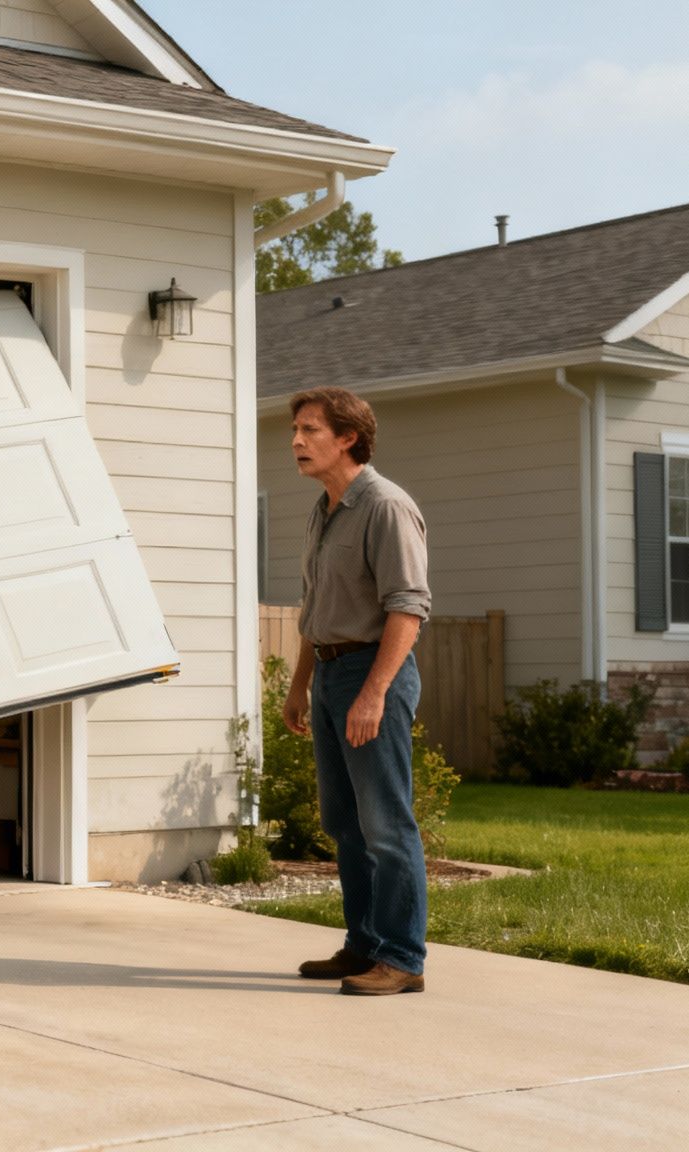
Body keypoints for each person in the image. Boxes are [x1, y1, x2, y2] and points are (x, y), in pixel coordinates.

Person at [280, 386, 432, 996]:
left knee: (386, 825)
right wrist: (300, 685)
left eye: (310, 430)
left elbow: (408, 608)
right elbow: (315, 608)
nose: (296, 440)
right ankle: (364, 945)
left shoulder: (386, 506)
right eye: (295, 430)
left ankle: (403, 958)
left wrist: (373, 695)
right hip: (329, 675)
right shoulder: (325, 509)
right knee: (345, 823)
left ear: (348, 438)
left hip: (372, 674)